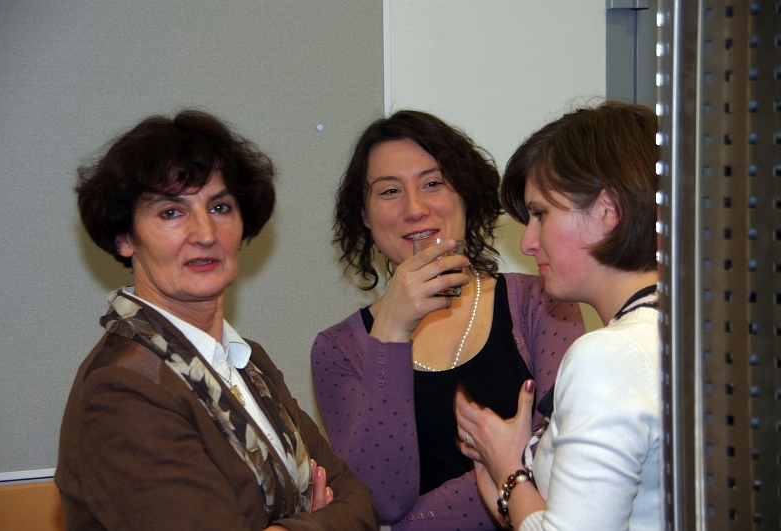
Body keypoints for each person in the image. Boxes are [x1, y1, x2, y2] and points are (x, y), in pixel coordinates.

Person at [55, 110, 379, 531]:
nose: (206, 233)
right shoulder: (122, 387)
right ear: (124, 237)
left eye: (220, 207)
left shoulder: (247, 360)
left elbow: (359, 501)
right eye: (171, 212)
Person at [310, 110, 584, 530]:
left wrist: (413, 524)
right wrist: (391, 333)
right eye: (389, 191)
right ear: (364, 216)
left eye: (433, 183)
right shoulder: (338, 349)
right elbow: (378, 500)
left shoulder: (541, 302)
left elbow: (561, 460)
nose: (415, 208)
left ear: (465, 194)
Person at [455, 101, 661, 531]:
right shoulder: (696, 333)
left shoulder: (610, 356)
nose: (528, 242)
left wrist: (508, 471)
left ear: (608, 211)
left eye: (540, 215)